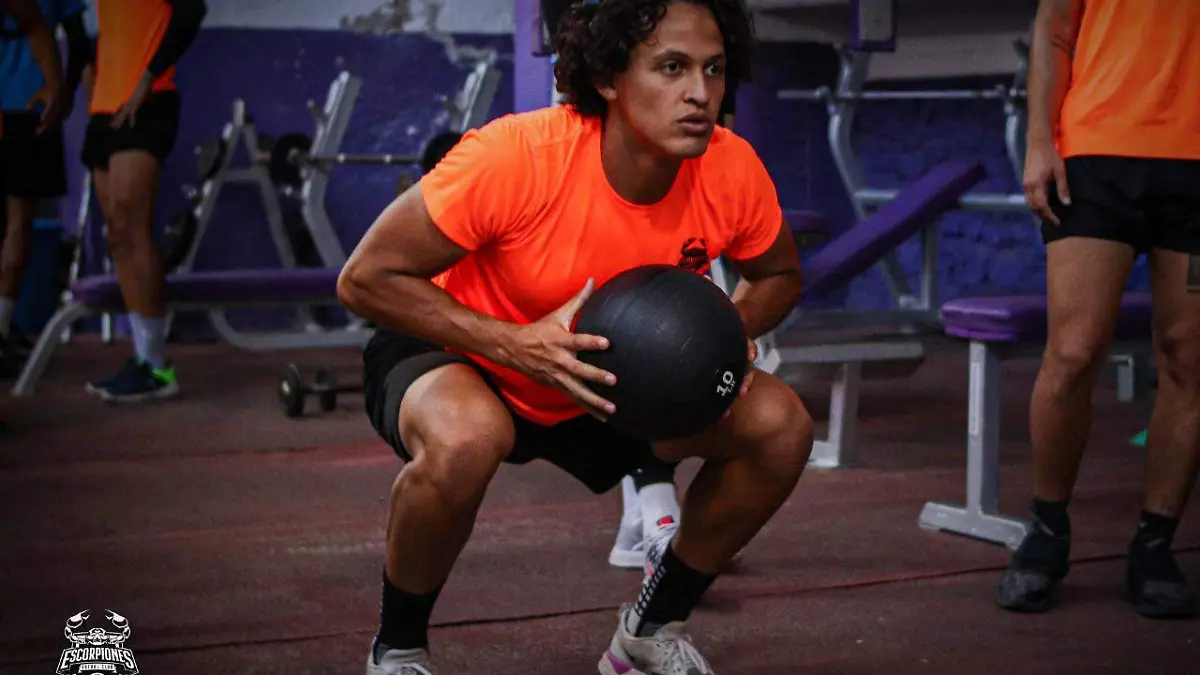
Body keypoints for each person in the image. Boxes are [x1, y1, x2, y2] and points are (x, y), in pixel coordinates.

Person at [338, 1, 814, 673]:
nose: (700, 93)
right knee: (466, 440)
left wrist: (718, 336)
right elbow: (365, 279)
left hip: (611, 376)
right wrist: (513, 344)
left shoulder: (729, 168)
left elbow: (779, 275)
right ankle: (399, 648)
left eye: (714, 69)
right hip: (465, 350)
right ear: (608, 78)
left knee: (780, 426)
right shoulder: (516, 157)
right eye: (671, 68)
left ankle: (649, 629)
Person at [996, 0, 1200, 618]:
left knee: (1189, 358)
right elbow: (1055, 28)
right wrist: (1039, 141)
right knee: (1073, 351)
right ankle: (1047, 530)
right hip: (1094, 151)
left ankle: (1155, 545)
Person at [608, 70, 745, 572]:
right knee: (641, 351)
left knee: (691, 364)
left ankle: (646, 519)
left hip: (686, 237)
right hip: (620, 235)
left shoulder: (716, 147)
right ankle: (658, 514)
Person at [80, 0, 206, 403]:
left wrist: (147, 80)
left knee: (132, 228)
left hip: (147, 100)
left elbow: (191, 12)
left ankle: (156, 364)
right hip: (104, 106)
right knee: (117, 233)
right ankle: (143, 358)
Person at [0, 0, 90, 366]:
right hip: (34, 102)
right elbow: (79, 42)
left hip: (29, 99)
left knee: (16, 224)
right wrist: (64, 90)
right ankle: (2, 324)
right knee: (19, 222)